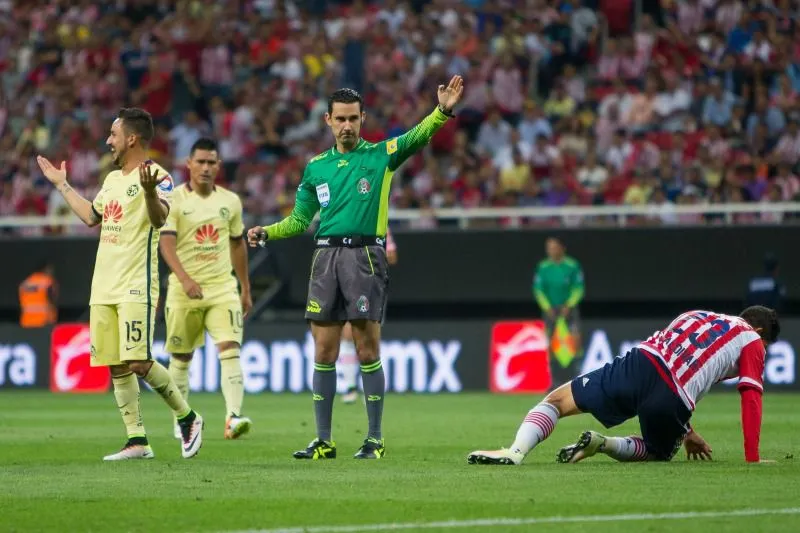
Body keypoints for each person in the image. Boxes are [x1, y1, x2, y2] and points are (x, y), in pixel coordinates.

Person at [247, 76, 464, 460]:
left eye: (353, 119)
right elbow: (300, 220)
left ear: (362, 118)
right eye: (340, 119)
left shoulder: (381, 155)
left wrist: (442, 111)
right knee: (324, 351)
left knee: (366, 349)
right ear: (328, 120)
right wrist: (267, 233)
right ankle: (323, 440)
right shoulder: (316, 168)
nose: (347, 125)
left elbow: (416, 137)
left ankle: (375, 438)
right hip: (325, 258)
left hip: (363, 257)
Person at [36, 108, 204, 461]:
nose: (108, 141)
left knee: (138, 361)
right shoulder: (111, 180)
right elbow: (90, 217)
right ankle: (137, 439)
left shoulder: (159, 177)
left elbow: (160, 220)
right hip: (104, 284)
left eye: (113, 134)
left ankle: (187, 417)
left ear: (131, 138)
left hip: (135, 283)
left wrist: (147, 193)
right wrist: (61, 184)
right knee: (115, 364)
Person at [468, 306, 779, 465]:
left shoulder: (698, 315)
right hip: (673, 398)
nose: (762, 353)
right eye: (766, 344)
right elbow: (750, 395)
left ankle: (516, 451)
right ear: (759, 329)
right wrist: (752, 457)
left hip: (640, 363)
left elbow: (671, 361)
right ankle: (603, 444)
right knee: (657, 452)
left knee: (557, 401)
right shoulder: (751, 339)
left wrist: (687, 431)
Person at [159, 138, 253, 441]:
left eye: (211, 162)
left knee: (230, 348)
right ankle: (182, 417)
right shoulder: (173, 200)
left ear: (219, 166)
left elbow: (238, 245)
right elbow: (166, 242)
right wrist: (185, 279)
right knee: (181, 357)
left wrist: (245, 287)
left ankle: (233, 418)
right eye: (200, 161)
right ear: (188, 164)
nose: (206, 167)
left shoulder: (230, 201)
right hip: (183, 291)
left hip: (222, 287)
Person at [339, 228, 398, 404]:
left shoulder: (381, 227)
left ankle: (370, 388)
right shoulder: (347, 223)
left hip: (372, 287)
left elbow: (393, 257)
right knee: (348, 334)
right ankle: (350, 387)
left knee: (370, 337)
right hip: (349, 285)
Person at [533, 237, 584, 364]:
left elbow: (579, 288)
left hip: (568, 309)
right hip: (550, 309)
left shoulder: (572, 265)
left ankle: (577, 369)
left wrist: (569, 305)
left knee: (576, 337)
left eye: (554, 247)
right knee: (548, 340)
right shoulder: (543, 267)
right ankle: (551, 373)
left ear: (562, 248)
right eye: (549, 248)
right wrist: (546, 307)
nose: (551, 251)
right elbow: (538, 290)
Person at [19, 262, 58, 328]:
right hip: (43, 322)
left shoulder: (25, 283)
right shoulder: (48, 281)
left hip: (26, 322)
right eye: (51, 269)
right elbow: (52, 299)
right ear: (45, 269)